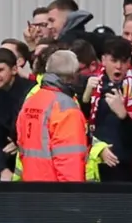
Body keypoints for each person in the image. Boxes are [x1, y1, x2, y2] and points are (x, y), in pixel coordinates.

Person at [15, 50, 87, 182]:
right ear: (71, 76)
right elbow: (69, 161)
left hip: (30, 188)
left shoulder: (31, 101)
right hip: (56, 194)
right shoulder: (65, 108)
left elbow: (22, 146)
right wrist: (73, 196)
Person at [85, 37, 132, 182]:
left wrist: (123, 115)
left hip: (122, 166)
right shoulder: (92, 85)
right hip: (93, 162)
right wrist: (86, 96)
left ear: (129, 62)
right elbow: (81, 126)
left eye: (123, 62)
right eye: (114, 61)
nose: (119, 66)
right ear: (103, 60)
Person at [0, 48, 36, 180]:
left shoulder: (31, 91)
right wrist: (2, 169)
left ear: (14, 70)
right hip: (8, 159)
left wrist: (18, 141)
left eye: (0, 70)